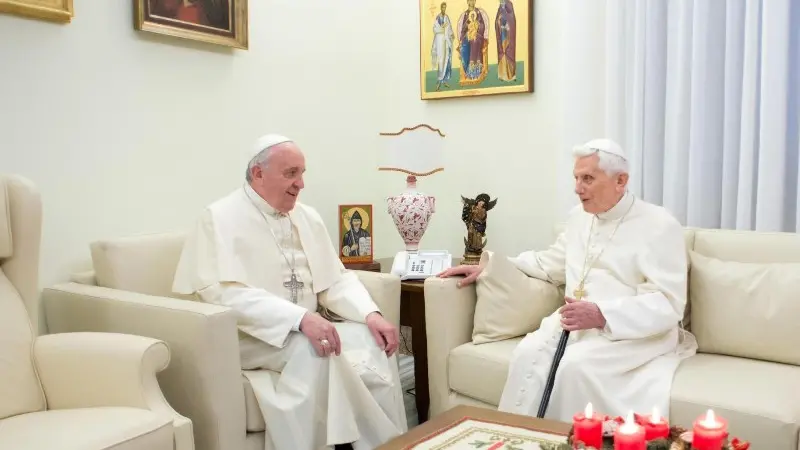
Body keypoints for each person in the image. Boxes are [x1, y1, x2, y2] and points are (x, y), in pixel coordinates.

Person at [172, 134, 407, 450]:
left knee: (374, 341)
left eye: (302, 172)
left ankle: (391, 444)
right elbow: (222, 295)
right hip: (251, 336)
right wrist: (299, 319)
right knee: (315, 349)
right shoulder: (218, 217)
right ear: (258, 174)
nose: (301, 184)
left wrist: (371, 314)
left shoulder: (307, 216)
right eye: (291, 173)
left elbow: (334, 278)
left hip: (307, 325)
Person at [437, 138, 697, 421]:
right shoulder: (579, 218)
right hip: (576, 325)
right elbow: (550, 263)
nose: (577, 188)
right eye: (576, 178)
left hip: (636, 331)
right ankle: (521, 439)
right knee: (527, 354)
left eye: (588, 178)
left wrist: (602, 314)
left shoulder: (659, 224)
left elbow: (668, 303)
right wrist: (489, 268)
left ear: (620, 180)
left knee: (575, 366)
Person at [431, 1, 454, 91]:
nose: (444, 9)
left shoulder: (446, 17)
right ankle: (438, 82)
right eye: (443, 7)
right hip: (440, 42)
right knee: (441, 61)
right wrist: (442, 28)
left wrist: (451, 34)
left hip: (446, 41)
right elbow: (435, 29)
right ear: (441, 8)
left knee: (447, 60)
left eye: (445, 7)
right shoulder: (438, 18)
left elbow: (450, 28)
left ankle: (444, 80)